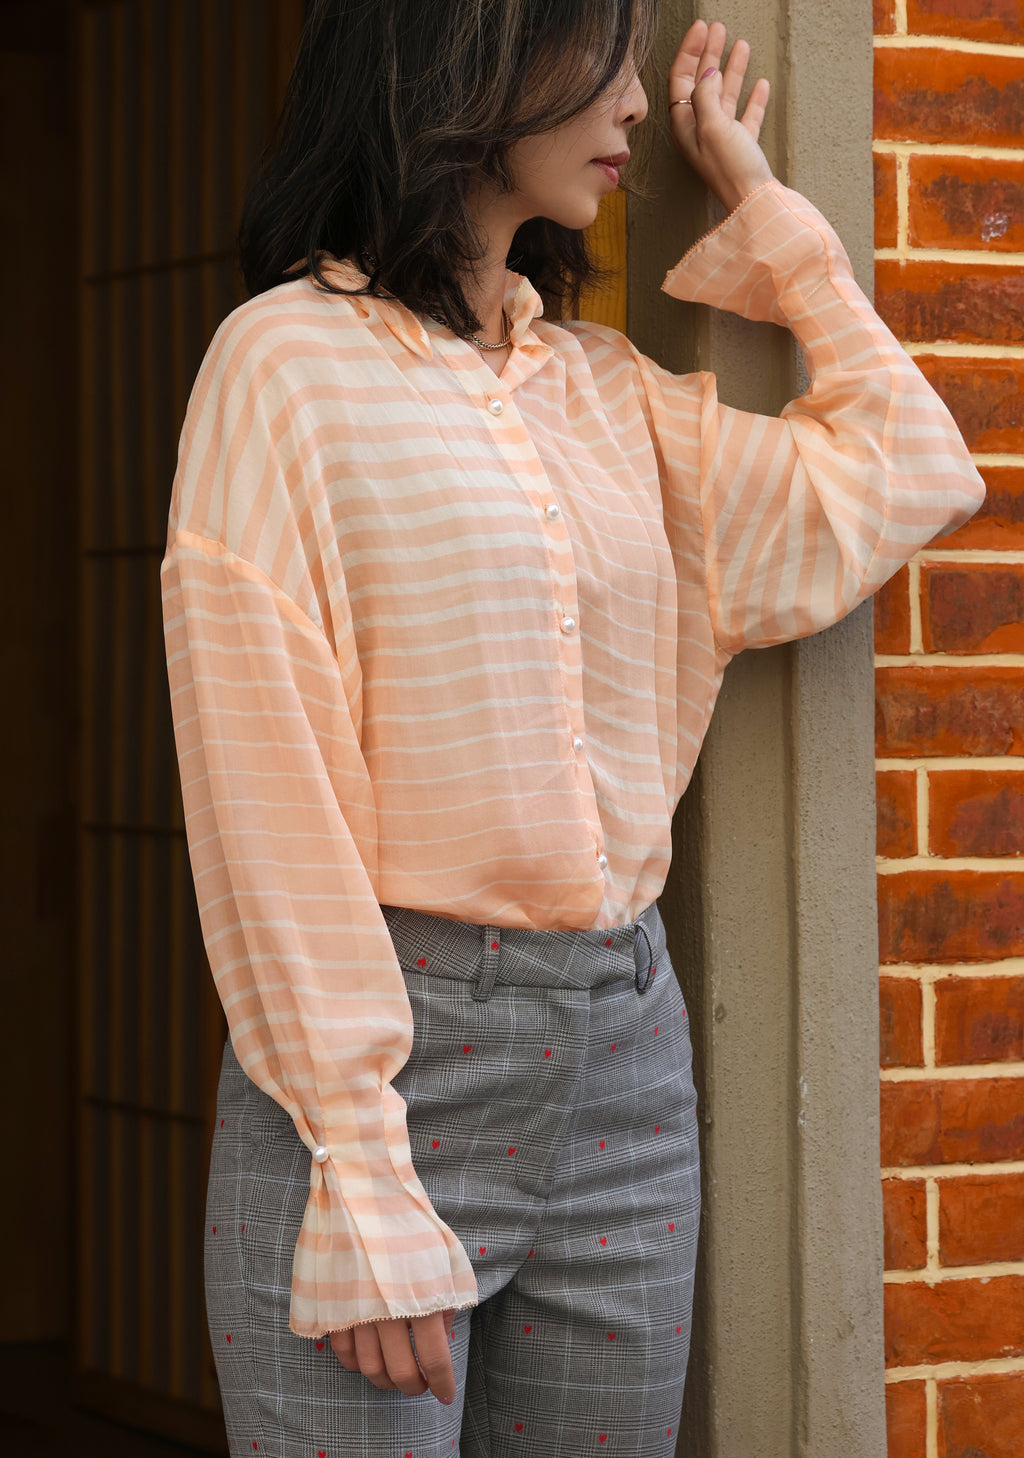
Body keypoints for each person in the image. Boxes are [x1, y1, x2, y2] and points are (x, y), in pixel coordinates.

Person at [159, 2, 984, 1454]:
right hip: (386, 1067)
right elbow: (263, 792)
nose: (636, 101)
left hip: (626, 1067)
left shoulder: (609, 395)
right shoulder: (281, 366)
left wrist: (770, 214)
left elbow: (908, 470)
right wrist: (360, 1169)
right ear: (471, 59)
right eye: (599, 54)